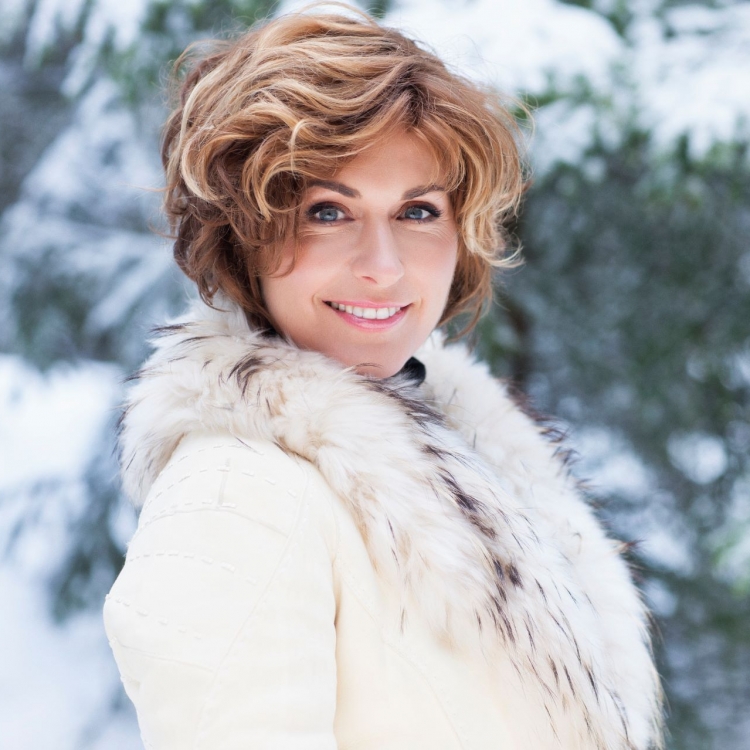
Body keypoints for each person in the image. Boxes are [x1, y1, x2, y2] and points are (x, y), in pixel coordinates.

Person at [103, 5, 664, 749]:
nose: (383, 266)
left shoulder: (479, 457)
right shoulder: (237, 494)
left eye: (418, 211)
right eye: (328, 212)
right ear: (243, 235)